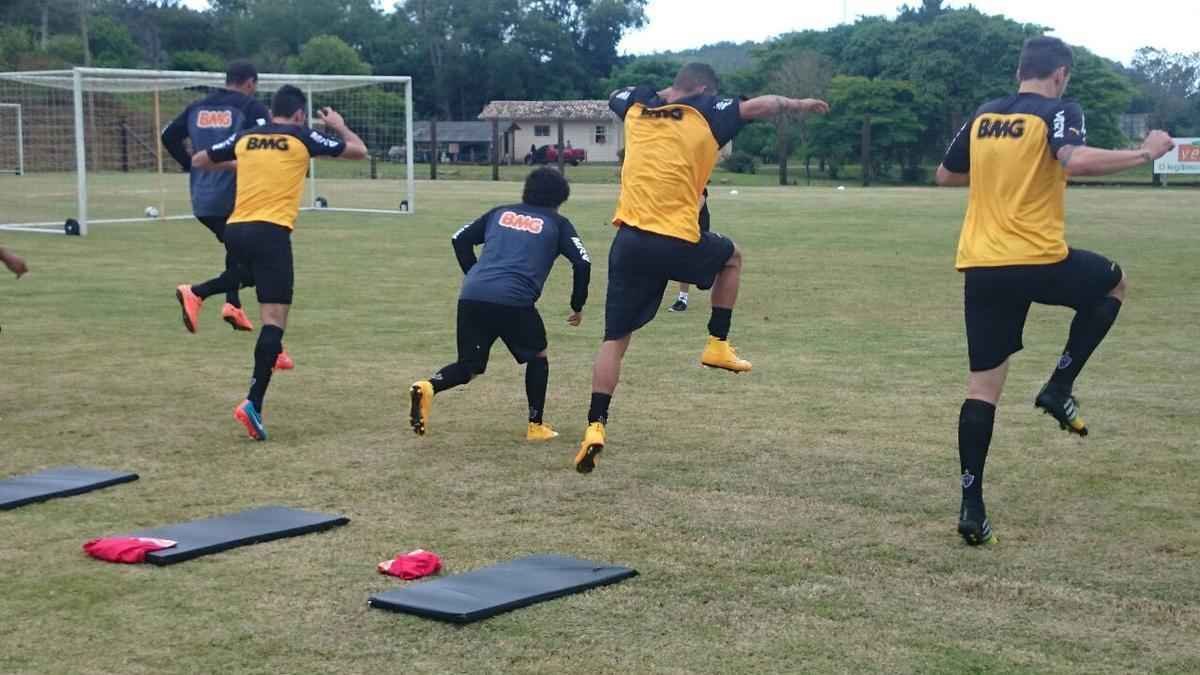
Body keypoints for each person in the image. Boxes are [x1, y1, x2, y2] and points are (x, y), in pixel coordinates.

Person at [936, 36, 1176, 545]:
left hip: (982, 264)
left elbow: (946, 174)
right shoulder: (1059, 110)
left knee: (983, 389)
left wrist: (1003, 175)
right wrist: (1145, 151)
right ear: (1061, 73)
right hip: (1037, 258)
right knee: (1113, 283)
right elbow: (1075, 160)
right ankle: (1059, 386)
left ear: (1020, 69)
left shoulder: (985, 115)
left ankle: (971, 506)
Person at [574, 62, 830, 474]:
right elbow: (758, 107)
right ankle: (717, 344)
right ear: (707, 88)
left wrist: (662, 96)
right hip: (674, 237)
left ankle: (595, 425)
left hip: (628, 240)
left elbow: (614, 94)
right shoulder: (708, 111)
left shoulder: (637, 107)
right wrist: (797, 102)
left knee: (615, 339)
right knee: (732, 257)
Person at [175, 85, 367, 441]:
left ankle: (197, 291)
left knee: (248, 274)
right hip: (271, 231)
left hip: (235, 226)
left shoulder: (247, 137)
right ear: (298, 114)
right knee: (274, 320)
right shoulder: (300, 135)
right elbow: (359, 152)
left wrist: (247, 162)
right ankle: (253, 403)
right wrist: (339, 125)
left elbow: (201, 160)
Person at [410, 167, 591, 441]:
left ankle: (428, 386)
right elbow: (583, 261)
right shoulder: (558, 223)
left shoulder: (500, 212)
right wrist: (577, 305)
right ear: (560, 198)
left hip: (472, 296)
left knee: (469, 366)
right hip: (514, 301)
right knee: (538, 357)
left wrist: (473, 274)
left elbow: (459, 238)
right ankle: (535, 425)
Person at [161, 61, 274, 339]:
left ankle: (233, 305)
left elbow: (168, 136)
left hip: (202, 198)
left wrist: (191, 165)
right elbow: (268, 143)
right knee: (260, 265)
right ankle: (197, 293)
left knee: (237, 251)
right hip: (238, 196)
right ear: (250, 83)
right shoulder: (251, 108)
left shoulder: (197, 107)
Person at [668, 188, 710, 312]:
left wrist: (689, 218)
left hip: (696, 223)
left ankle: (703, 275)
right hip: (679, 222)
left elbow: (701, 196)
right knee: (682, 259)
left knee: (689, 259)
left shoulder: (693, 176)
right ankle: (682, 299)